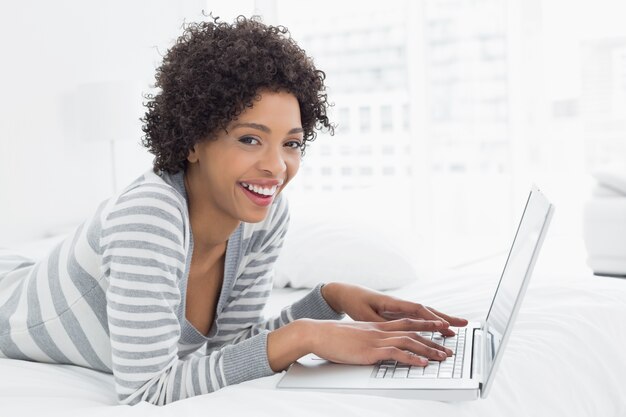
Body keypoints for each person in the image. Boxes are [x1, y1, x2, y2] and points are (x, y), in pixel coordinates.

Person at [0, 15, 467, 405]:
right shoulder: (148, 216)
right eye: (249, 139)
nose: (276, 167)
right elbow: (147, 391)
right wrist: (305, 336)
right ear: (193, 141)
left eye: (292, 144)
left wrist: (329, 300)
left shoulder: (264, 217)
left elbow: (228, 353)